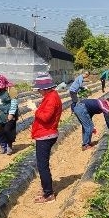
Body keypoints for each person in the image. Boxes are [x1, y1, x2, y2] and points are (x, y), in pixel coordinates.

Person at [31, 72, 63, 204]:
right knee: (43, 164)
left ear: (45, 88)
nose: (38, 91)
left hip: (46, 135)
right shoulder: (51, 96)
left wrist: (34, 109)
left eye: (39, 89)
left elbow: (45, 117)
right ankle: (46, 189)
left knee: (42, 165)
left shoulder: (51, 98)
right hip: (45, 132)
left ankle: (49, 194)